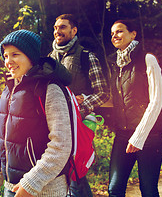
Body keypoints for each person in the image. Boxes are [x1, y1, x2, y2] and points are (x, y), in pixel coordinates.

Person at [0, 29, 73, 197]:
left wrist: (32, 182)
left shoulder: (49, 89)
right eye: (6, 56)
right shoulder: (9, 90)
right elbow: (6, 141)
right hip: (12, 187)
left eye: (15, 54)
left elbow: (61, 145)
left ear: (30, 56)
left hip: (45, 189)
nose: (9, 61)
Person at [50, 14, 110, 197]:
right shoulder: (49, 59)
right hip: (54, 127)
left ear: (73, 30)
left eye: (62, 27)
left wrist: (79, 104)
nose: (57, 31)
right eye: (55, 28)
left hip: (78, 126)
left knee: (76, 171)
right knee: (67, 174)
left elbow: (103, 93)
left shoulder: (86, 56)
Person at [108, 20, 162, 197]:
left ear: (133, 34)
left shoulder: (147, 59)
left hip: (150, 137)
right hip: (123, 135)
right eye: (112, 34)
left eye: (119, 31)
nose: (114, 36)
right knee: (114, 189)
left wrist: (138, 137)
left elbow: (156, 100)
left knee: (148, 190)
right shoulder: (116, 64)